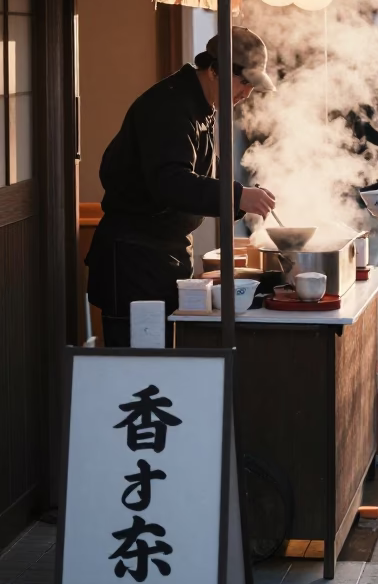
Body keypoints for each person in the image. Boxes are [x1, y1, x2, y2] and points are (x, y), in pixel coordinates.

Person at [86, 27, 277, 347]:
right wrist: (238, 196)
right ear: (214, 70)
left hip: (165, 254)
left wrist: (240, 196)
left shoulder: (202, 105)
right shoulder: (171, 105)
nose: (247, 93)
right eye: (244, 82)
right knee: (137, 368)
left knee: (165, 362)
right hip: (135, 258)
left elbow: (192, 181)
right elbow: (170, 183)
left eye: (252, 86)